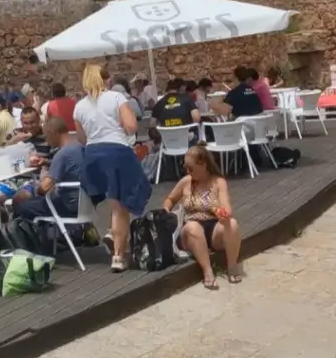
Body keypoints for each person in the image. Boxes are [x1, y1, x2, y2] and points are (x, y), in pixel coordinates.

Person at [74, 65, 151, 273]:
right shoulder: (116, 98)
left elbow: (81, 138)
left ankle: (111, 232)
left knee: (113, 202)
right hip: (116, 151)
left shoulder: (79, 106)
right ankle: (118, 255)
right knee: (121, 205)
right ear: (104, 80)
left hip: (92, 155)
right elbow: (131, 126)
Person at [162, 144, 243, 289]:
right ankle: (207, 271)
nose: (188, 171)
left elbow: (226, 206)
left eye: (191, 168)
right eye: (186, 168)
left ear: (203, 165)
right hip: (190, 228)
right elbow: (170, 199)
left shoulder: (218, 182)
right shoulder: (186, 182)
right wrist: (166, 210)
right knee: (194, 227)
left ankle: (232, 266)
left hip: (212, 226)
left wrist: (223, 213)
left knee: (232, 224)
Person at [13, 117, 85, 221]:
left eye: (47, 137)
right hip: (84, 205)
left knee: (24, 206)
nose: (47, 141)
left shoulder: (62, 154)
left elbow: (44, 188)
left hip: (68, 205)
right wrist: (47, 162)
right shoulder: (80, 148)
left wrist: (35, 189)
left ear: (53, 133)